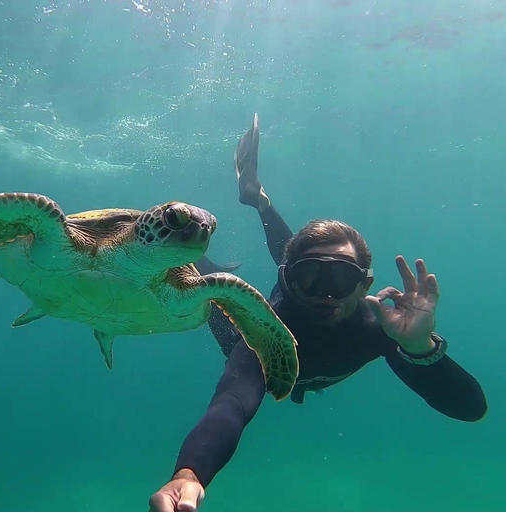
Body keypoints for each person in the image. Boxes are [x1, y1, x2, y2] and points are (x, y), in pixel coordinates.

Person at [149, 113, 488, 512]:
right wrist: (189, 473)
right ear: (288, 281)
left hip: (307, 289)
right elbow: (233, 401)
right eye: (310, 277)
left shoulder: (376, 327)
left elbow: (470, 409)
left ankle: (258, 198)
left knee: (301, 251)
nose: (326, 293)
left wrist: (418, 346)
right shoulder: (264, 333)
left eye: (342, 279)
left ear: (365, 286)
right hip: (259, 317)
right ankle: (251, 222)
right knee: (202, 280)